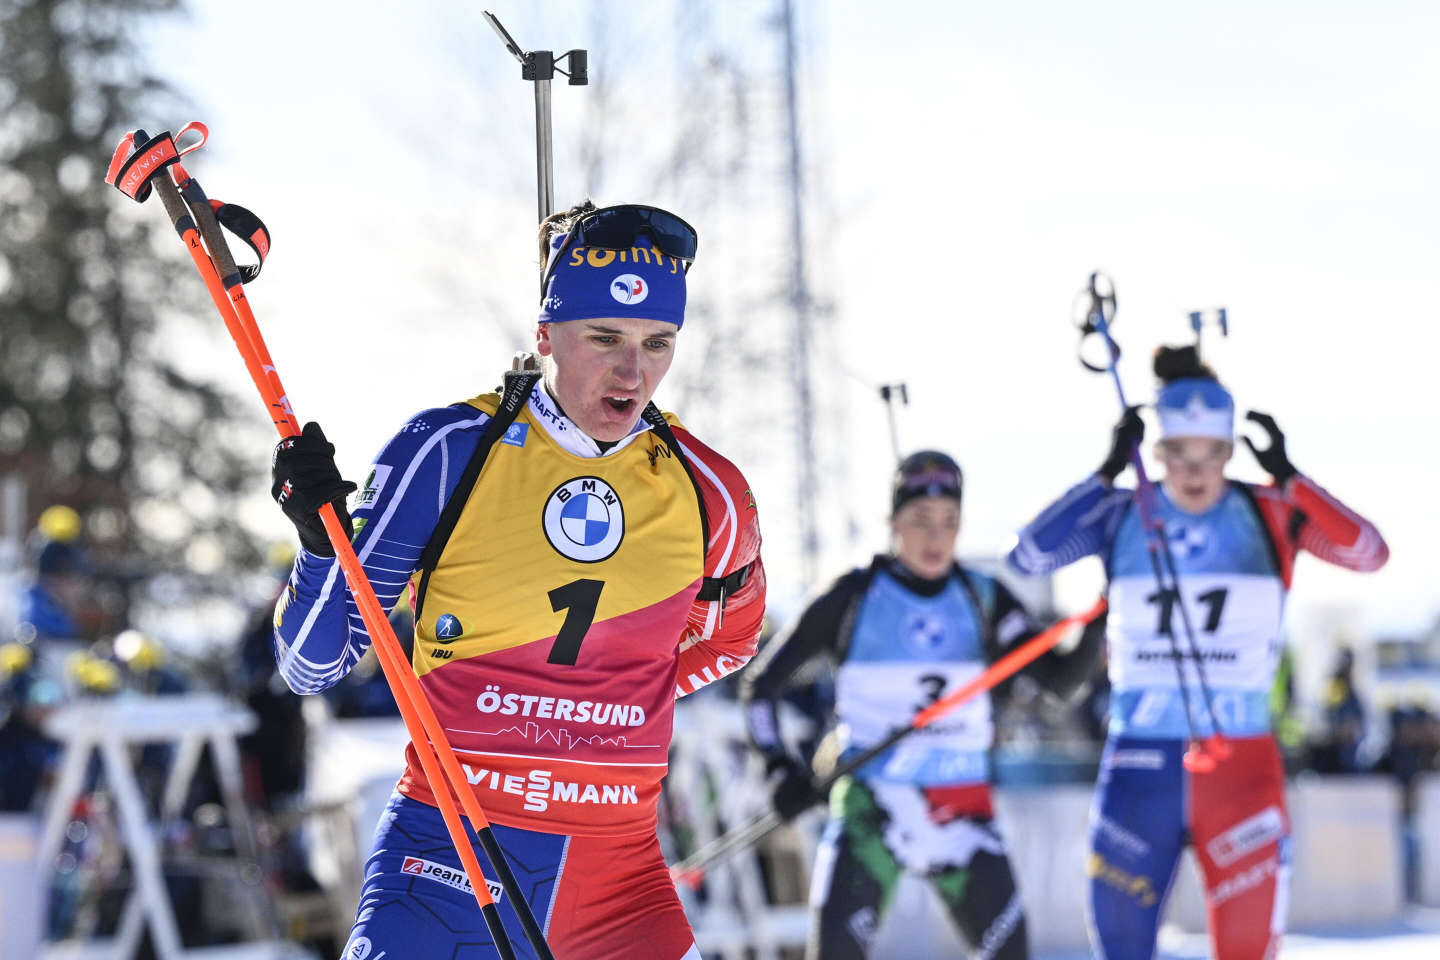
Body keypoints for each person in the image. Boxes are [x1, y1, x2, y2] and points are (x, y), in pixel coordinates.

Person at [269, 201, 765, 960]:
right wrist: (316, 545)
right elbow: (311, 665)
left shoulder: (711, 493)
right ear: (545, 338)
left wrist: (623, 697)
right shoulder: (449, 451)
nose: (633, 372)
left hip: (617, 883)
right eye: (604, 339)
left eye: (657, 344)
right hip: (448, 859)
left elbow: (731, 642)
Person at [1007, 345, 1389, 960]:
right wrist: (1105, 470)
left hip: (1242, 771)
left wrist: (1290, 477)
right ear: (1154, 454)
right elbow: (1029, 555)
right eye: (1176, 454)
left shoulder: (1267, 511)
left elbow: (1369, 552)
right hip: (1137, 766)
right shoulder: (1122, 512)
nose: (1193, 473)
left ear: (1229, 452)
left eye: (1210, 455)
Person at [740, 451, 1102, 960]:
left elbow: (1062, 682)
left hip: (962, 811)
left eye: (949, 523)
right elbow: (761, 688)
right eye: (921, 522)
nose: (936, 538)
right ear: (893, 524)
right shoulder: (853, 598)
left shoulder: (983, 598)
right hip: (872, 805)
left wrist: (1104, 611)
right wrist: (781, 771)